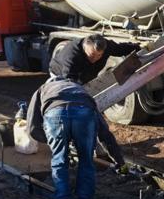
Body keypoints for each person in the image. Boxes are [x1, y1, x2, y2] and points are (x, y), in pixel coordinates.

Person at [49, 34, 140, 173]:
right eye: (91, 55)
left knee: (99, 124)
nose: (94, 59)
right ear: (84, 47)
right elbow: (69, 83)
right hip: (62, 77)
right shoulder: (71, 55)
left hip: (84, 79)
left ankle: (114, 158)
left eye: (98, 56)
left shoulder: (106, 46)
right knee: (73, 114)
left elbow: (121, 49)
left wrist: (138, 47)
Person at [27, 78, 98, 199]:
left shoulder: (43, 88)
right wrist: (118, 160)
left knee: (59, 161)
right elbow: (104, 131)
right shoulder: (80, 90)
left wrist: (53, 141)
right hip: (85, 112)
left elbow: (32, 127)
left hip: (55, 113)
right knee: (86, 161)